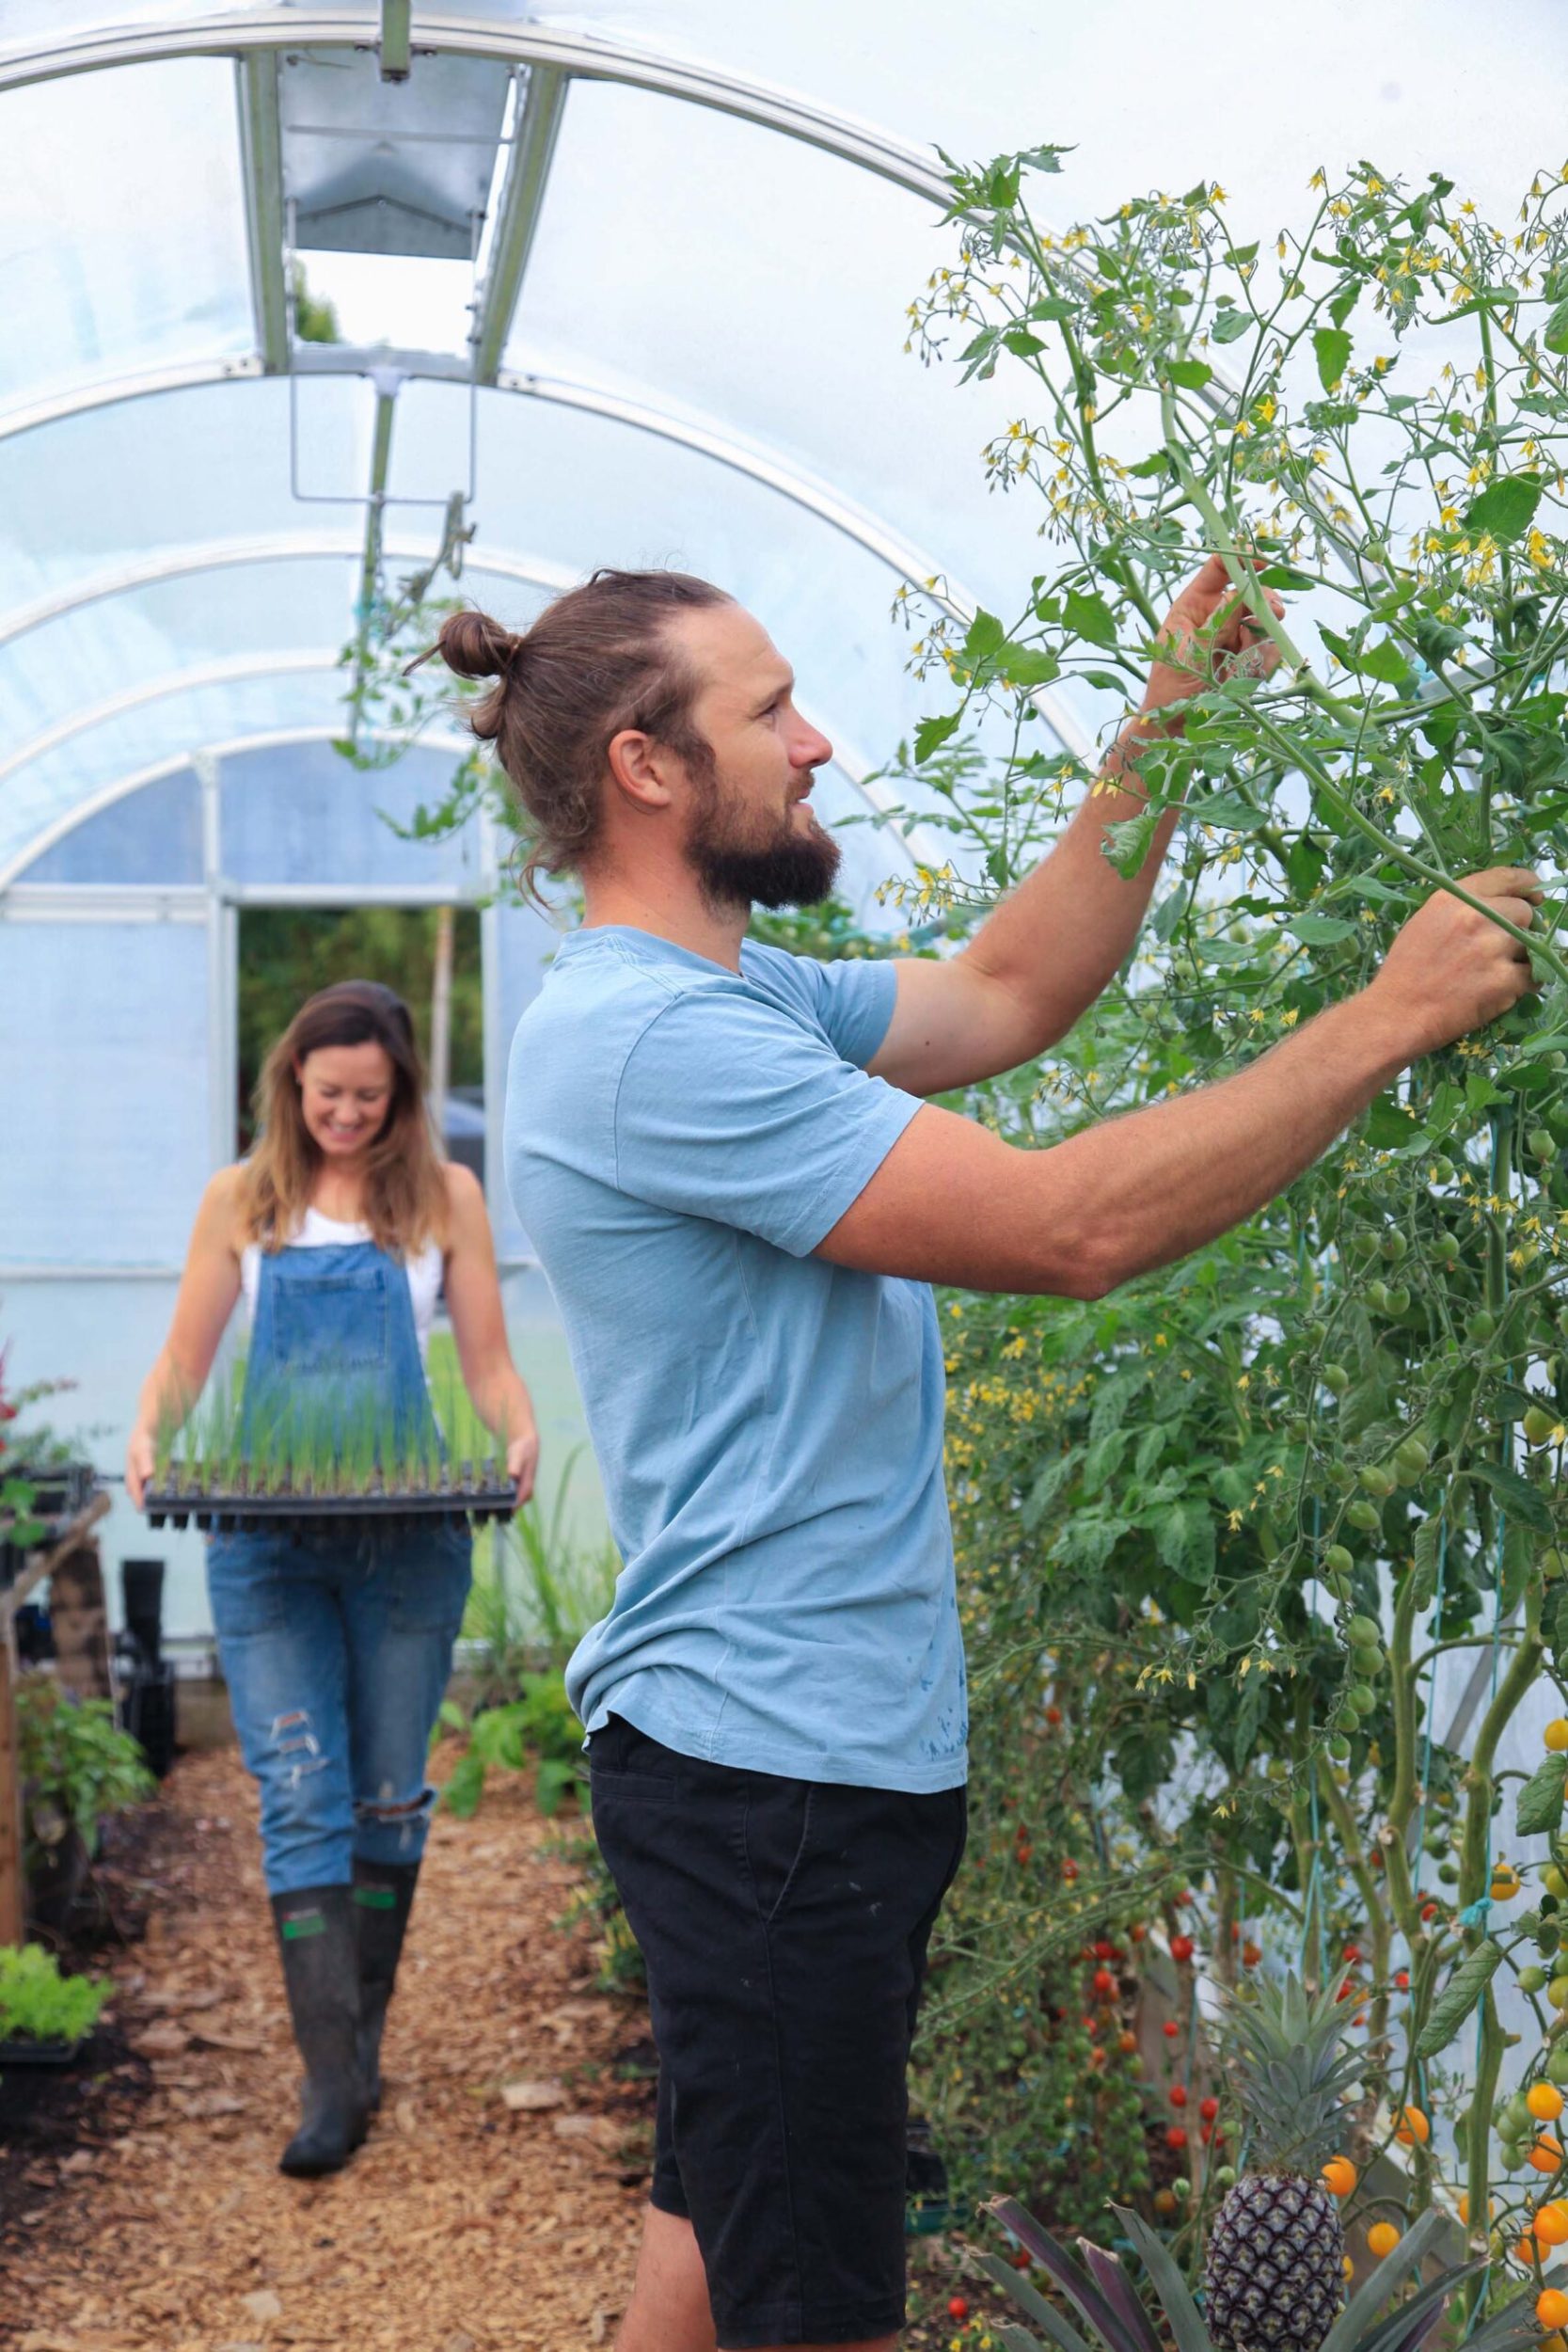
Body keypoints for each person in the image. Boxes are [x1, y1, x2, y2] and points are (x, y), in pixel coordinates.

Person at [435, 564, 1538, 2352]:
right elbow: (1067, 1224)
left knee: (714, 2257)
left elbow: (1014, 988)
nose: (812, 745)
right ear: (645, 768)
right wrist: (1389, 1015)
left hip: (776, 1762)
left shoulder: (738, 1002)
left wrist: (1166, 718)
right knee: (820, 2313)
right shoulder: (652, 1043)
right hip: (769, 1778)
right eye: (768, 711)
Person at [126, 980, 539, 2177]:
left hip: (406, 1542)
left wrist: (517, 1433)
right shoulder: (240, 1202)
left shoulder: (443, 1200)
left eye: (367, 1096)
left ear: (402, 1094)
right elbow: (182, 1360)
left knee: (388, 1795)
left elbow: (491, 1367)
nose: (344, 1116)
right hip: (266, 1546)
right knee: (297, 1788)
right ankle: (330, 2081)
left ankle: (357, 2052)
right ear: (289, 1088)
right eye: (325, 1095)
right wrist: (152, 1433)